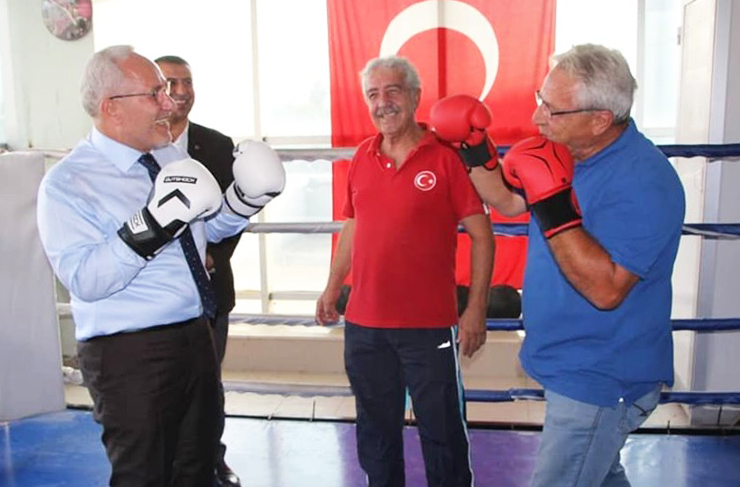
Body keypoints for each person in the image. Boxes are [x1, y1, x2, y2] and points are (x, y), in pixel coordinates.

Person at [431, 44, 685, 487]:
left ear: (600, 119)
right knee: (600, 476)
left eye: (553, 109)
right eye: (541, 99)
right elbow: (508, 200)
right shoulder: (567, 152)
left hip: (602, 378)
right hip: (569, 363)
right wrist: (473, 148)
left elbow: (607, 289)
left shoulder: (646, 182)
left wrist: (552, 204)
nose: (538, 118)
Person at [37, 45, 285, 487]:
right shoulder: (68, 183)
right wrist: (150, 226)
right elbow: (85, 279)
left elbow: (205, 230)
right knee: (144, 475)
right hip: (128, 352)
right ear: (112, 107)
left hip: (195, 335)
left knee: (198, 467)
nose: (170, 104)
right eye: (155, 93)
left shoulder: (170, 158)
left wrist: (245, 199)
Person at [315, 56, 494, 487]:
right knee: (375, 435)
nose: (383, 103)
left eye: (392, 91)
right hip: (365, 326)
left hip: (428, 326)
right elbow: (353, 224)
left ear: (415, 96)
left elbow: (483, 236)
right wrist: (332, 286)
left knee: (443, 434)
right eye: (373, 94)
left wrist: (476, 309)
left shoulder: (446, 159)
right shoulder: (362, 156)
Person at [154, 54, 241, 487]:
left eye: (187, 82)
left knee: (209, 384)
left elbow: (234, 216)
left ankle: (213, 459)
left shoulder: (217, 145)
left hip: (208, 289)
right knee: (160, 387)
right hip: (154, 293)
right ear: (155, 91)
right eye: (171, 83)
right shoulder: (138, 145)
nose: (182, 91)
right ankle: (164, 462)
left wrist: (212, 254)